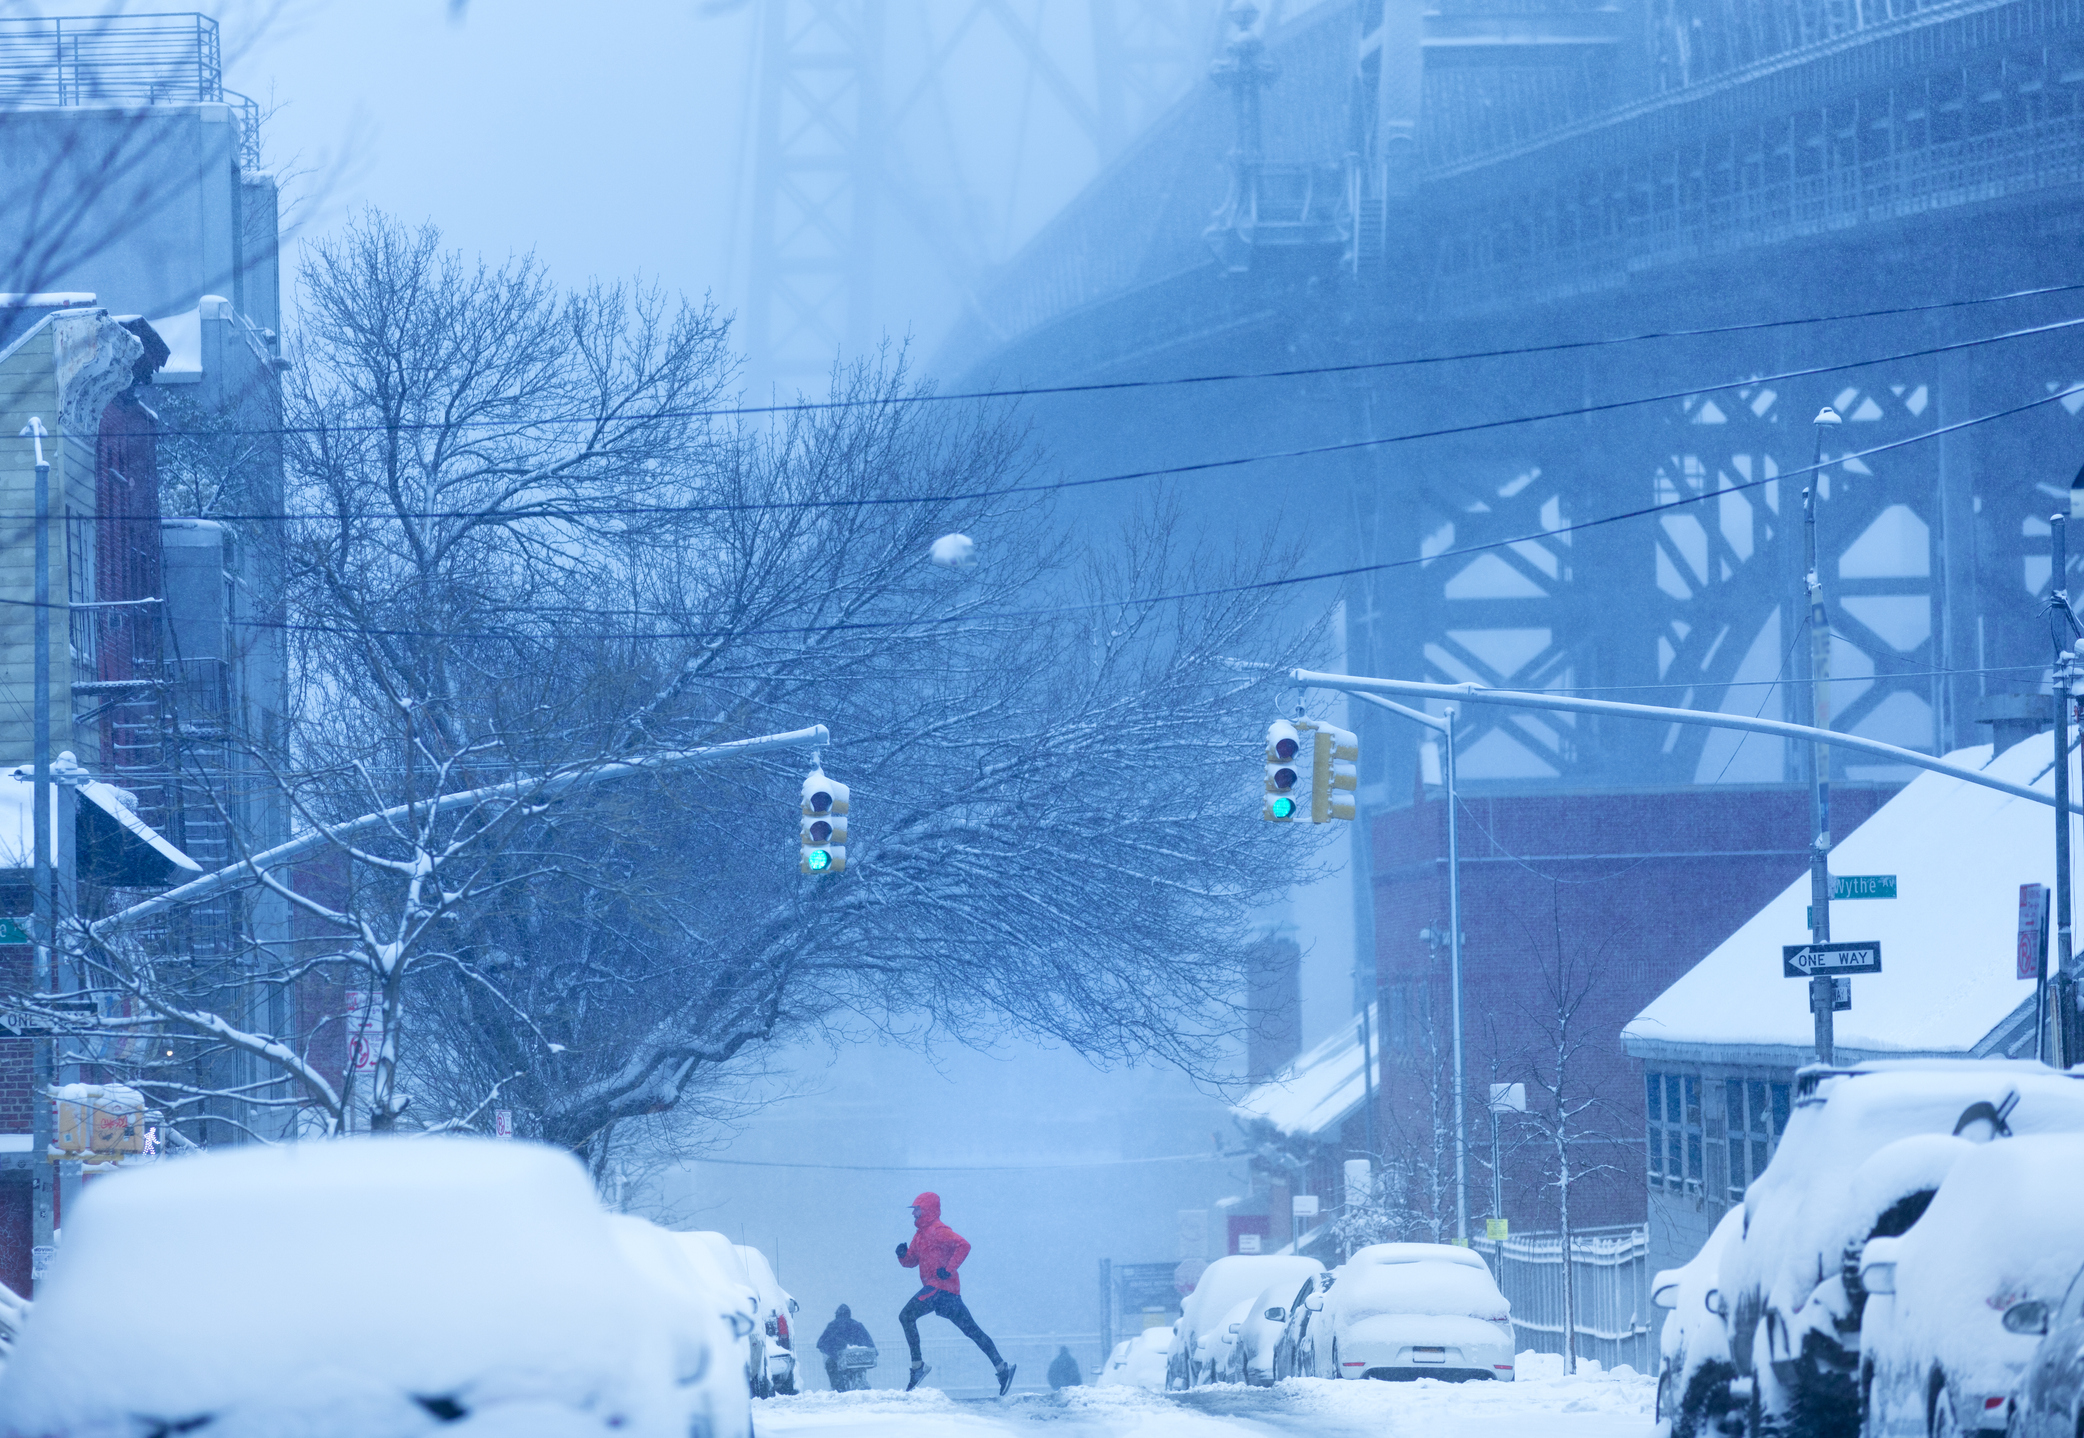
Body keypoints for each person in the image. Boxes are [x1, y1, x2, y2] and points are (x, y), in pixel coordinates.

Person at [894, 1190, 1016, 1396]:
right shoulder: (920, 1235)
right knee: (972, 1331)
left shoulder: (938, 1230)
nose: (913, 1213)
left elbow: (964, 1245)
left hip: (939, 1287)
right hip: (947, 1293)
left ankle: (918, 1367)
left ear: (927, 1209)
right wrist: (902, 1256)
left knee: (906, 1316)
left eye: (916, 1208)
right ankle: (1002, 1369)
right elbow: (912, 1262)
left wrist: (948, 1269)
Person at [816, 1304, 875, 1391]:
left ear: (837, 1314)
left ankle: (837, 1387)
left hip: (838, 1359)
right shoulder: (857, 1325)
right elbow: (869, 1343)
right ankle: (860, 1383)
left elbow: (821, 1343)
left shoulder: (833, 1325)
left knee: (830, 1365)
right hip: (857, 1360)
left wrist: (832, 1351)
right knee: (860, 1369)